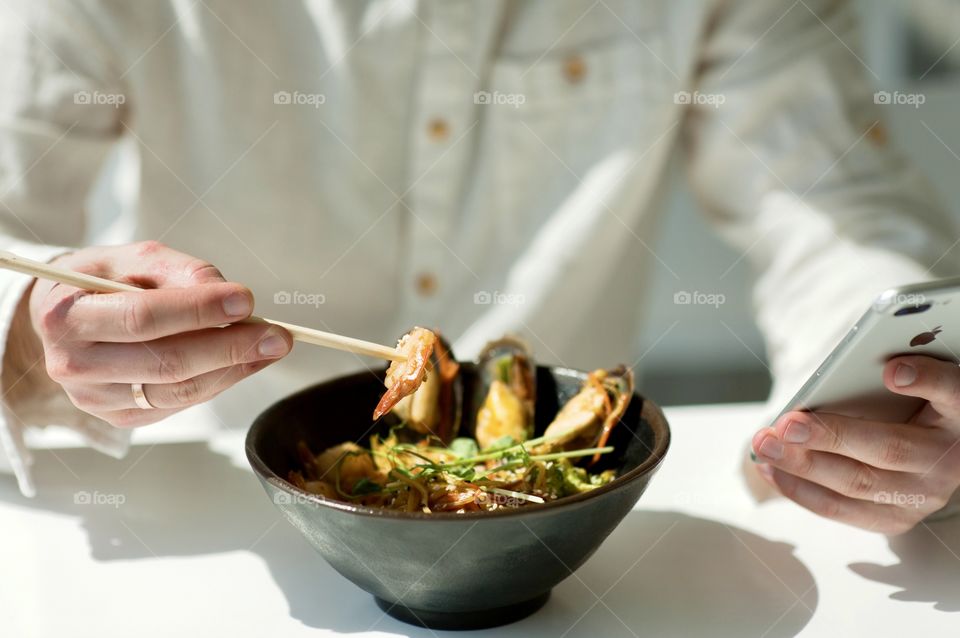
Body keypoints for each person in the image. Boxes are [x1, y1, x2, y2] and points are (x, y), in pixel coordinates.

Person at [1, 0, 958, 533]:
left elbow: (839, 211)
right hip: (205, 498)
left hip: (567, 512)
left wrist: (885, 397)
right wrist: (35, 333)